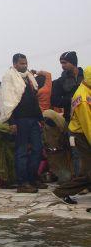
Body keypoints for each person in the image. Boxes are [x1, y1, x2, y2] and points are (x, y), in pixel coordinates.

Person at [0, 53, 44, 193]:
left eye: (25, 63)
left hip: (33, 118)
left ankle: (32, 178)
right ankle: (22, 183)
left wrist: (40, 118)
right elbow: (8, 101)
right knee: (22, 151)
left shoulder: (29, 78)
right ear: (15, 64)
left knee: (37, 148)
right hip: (20, 119)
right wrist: (12, 122)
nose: (24, 66)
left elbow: (34, 99)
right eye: (21, 63)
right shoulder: (9, 77)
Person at [53, 66, 91, 204]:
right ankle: (61, 192)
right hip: (82, 135)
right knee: (87, 172)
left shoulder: (85, 89)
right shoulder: (83, 98)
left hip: (82, 133)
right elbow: (87, 124)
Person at [51, 51, 83, 123]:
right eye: (61, 63)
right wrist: (70, 100)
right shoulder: (60, 81)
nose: (62, 65)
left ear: (73, 62)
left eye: (65, 63)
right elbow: (54, 100)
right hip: (71, 119)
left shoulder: (86, 77)